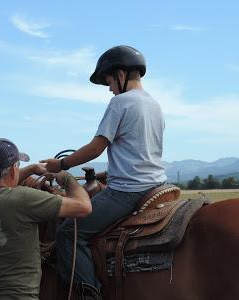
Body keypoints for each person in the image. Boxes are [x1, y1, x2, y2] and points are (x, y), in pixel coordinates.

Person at [40, 45, 167, 298]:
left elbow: (97, 147)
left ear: (121, 74)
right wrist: (104, 175)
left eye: (109, 80)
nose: (109, 87)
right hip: (158, 186)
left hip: (128, 191)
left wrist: (61, 165)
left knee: (68, 233)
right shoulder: (154, 104)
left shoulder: (120, 103)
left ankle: (88, 294)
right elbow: (138, 153)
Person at [0, 138, 92, 300]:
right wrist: (66, 177)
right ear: (12, 170)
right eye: (18, 166)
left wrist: (31, 169)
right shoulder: (23, 199)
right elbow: (84, 206)